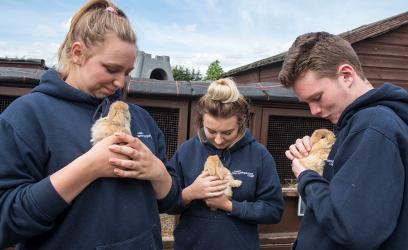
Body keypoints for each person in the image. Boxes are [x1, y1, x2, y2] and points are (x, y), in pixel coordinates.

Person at [0, 1, 180, 249]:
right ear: (77, 53)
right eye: (111, 69)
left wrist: (157, 172)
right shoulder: (27, 116)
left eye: (127, 72)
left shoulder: (141, 118)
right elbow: (5, 222)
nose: (121, 82)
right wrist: (88, 167)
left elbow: (171, 202)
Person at [278, 31, 408, 249]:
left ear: (346, 75)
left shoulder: (373, 125)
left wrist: (306, 177)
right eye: (307, 102)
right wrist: (317, 165)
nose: (314, 111)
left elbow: (353, 229)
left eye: (317, 97)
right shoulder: (362, 124)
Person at [167, 78, 284, 250]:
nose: (219, 140)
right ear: (201, 120)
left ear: (242, 120)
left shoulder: (259, 155)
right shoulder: (186, 151)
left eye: (228, 132)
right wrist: (190, 193)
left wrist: (228, 205)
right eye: (211, 131)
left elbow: (273, 211)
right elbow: (167, 204)